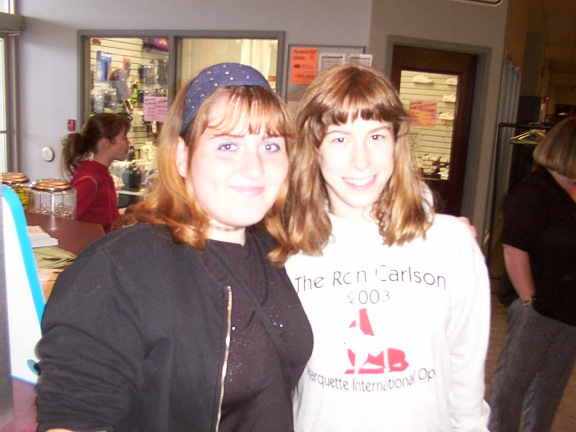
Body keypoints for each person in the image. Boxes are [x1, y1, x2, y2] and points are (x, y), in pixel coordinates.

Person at [35, 63, 313, 432]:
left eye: (271, 145)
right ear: (182, 156)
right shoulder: (120, 270)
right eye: (228, 145)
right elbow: (76, 415)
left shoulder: (273, 253)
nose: (255, 167)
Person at [279, 64, 491, 431]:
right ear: (314, 148)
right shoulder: (286, 253)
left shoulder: (451, 244)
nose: (361, 160)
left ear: (396, 143)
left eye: (376, 136)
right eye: (339, 139)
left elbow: (466, 372)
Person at [488, 117, 576, 432]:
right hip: (537, 306)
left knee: (550, 388)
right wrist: (529, 302)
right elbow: (514, 249)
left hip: (569, 309)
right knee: (512, 384)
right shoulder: (535, 191)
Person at [61, 112, 131, 232]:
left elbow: (104, 218)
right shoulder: (90, 179)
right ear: (106, 143)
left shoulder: (101, 174)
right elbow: (67, 220)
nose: (128, 142)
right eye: (124, 137)